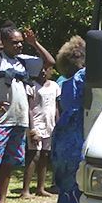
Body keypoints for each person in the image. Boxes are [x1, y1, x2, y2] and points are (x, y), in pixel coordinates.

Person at [0, 23, 54, 203]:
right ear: (4, 42)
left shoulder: (23, 61)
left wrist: (34, 43)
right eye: (15, 43)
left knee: (9, 163)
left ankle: (1, 201)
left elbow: (49, 62)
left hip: (20, 120)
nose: (19, 46)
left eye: (21, 42)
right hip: (0, 120)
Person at [49, 36, 88, 203]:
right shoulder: (82, 78)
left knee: (67, 197)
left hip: (63, 143)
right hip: (77, 142)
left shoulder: (65, 82)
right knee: (80, 197)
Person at [27, 66, 61, 195]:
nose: (43, 71)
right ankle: (25, 189)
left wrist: (58, 124)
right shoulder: (32, 86)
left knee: (45, 155)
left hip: (50, 125)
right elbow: (29, 109)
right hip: (37, 124)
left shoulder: (54, 86)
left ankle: (40, 188)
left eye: (46, 69)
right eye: (40, 69)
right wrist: (32, 129)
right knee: (33, 154)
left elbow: (56, 107)